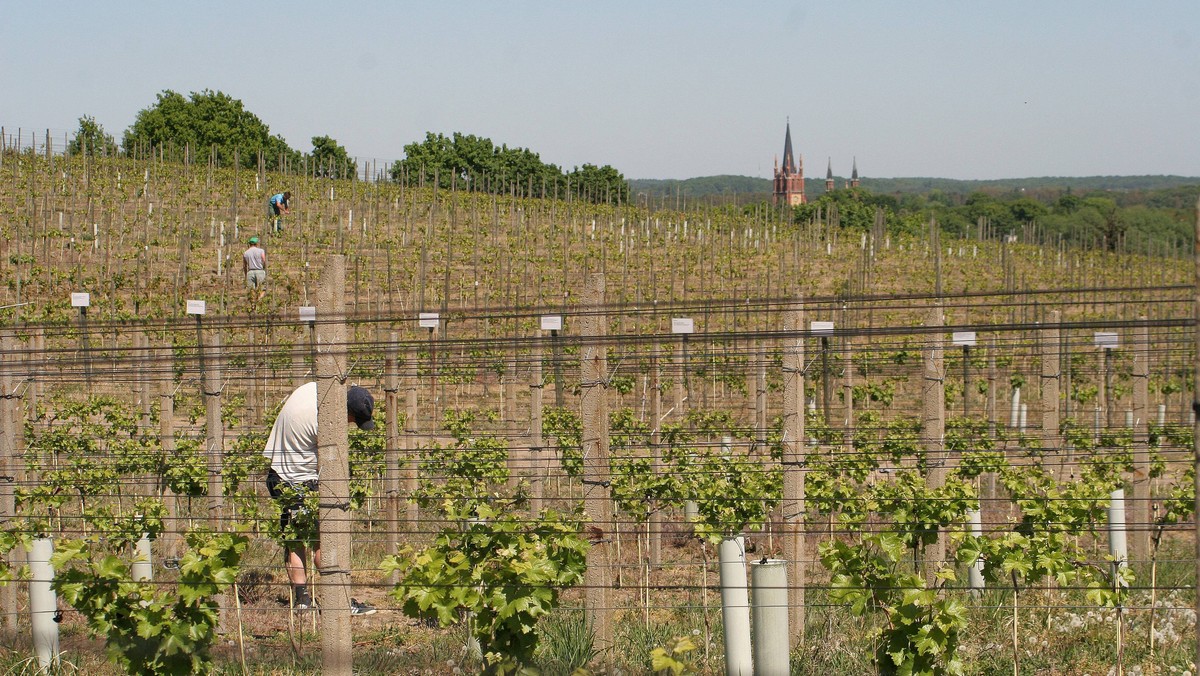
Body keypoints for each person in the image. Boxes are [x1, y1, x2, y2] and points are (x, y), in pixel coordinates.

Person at [263, 382, 377, 615]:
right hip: (300, 481)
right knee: (324, 542)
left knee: (294, 539)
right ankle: (339, 602)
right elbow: (332, 468)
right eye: (353, 421)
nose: (350, 426)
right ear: (346, 412)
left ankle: (302, 601)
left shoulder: (314, 387)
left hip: (277, 475)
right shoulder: (325, 425)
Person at [242, 236, 267, 302]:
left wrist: (245, 274)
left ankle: (253, 304)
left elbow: (244, 266)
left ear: (249, 244)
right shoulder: (261, 251)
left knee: (251, 290)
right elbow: (264, 261)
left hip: (250, 272)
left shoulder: (246, 253)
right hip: (260, 271)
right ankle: (259, 300)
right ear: (256, 244)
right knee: (262, 289)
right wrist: (264, 268)